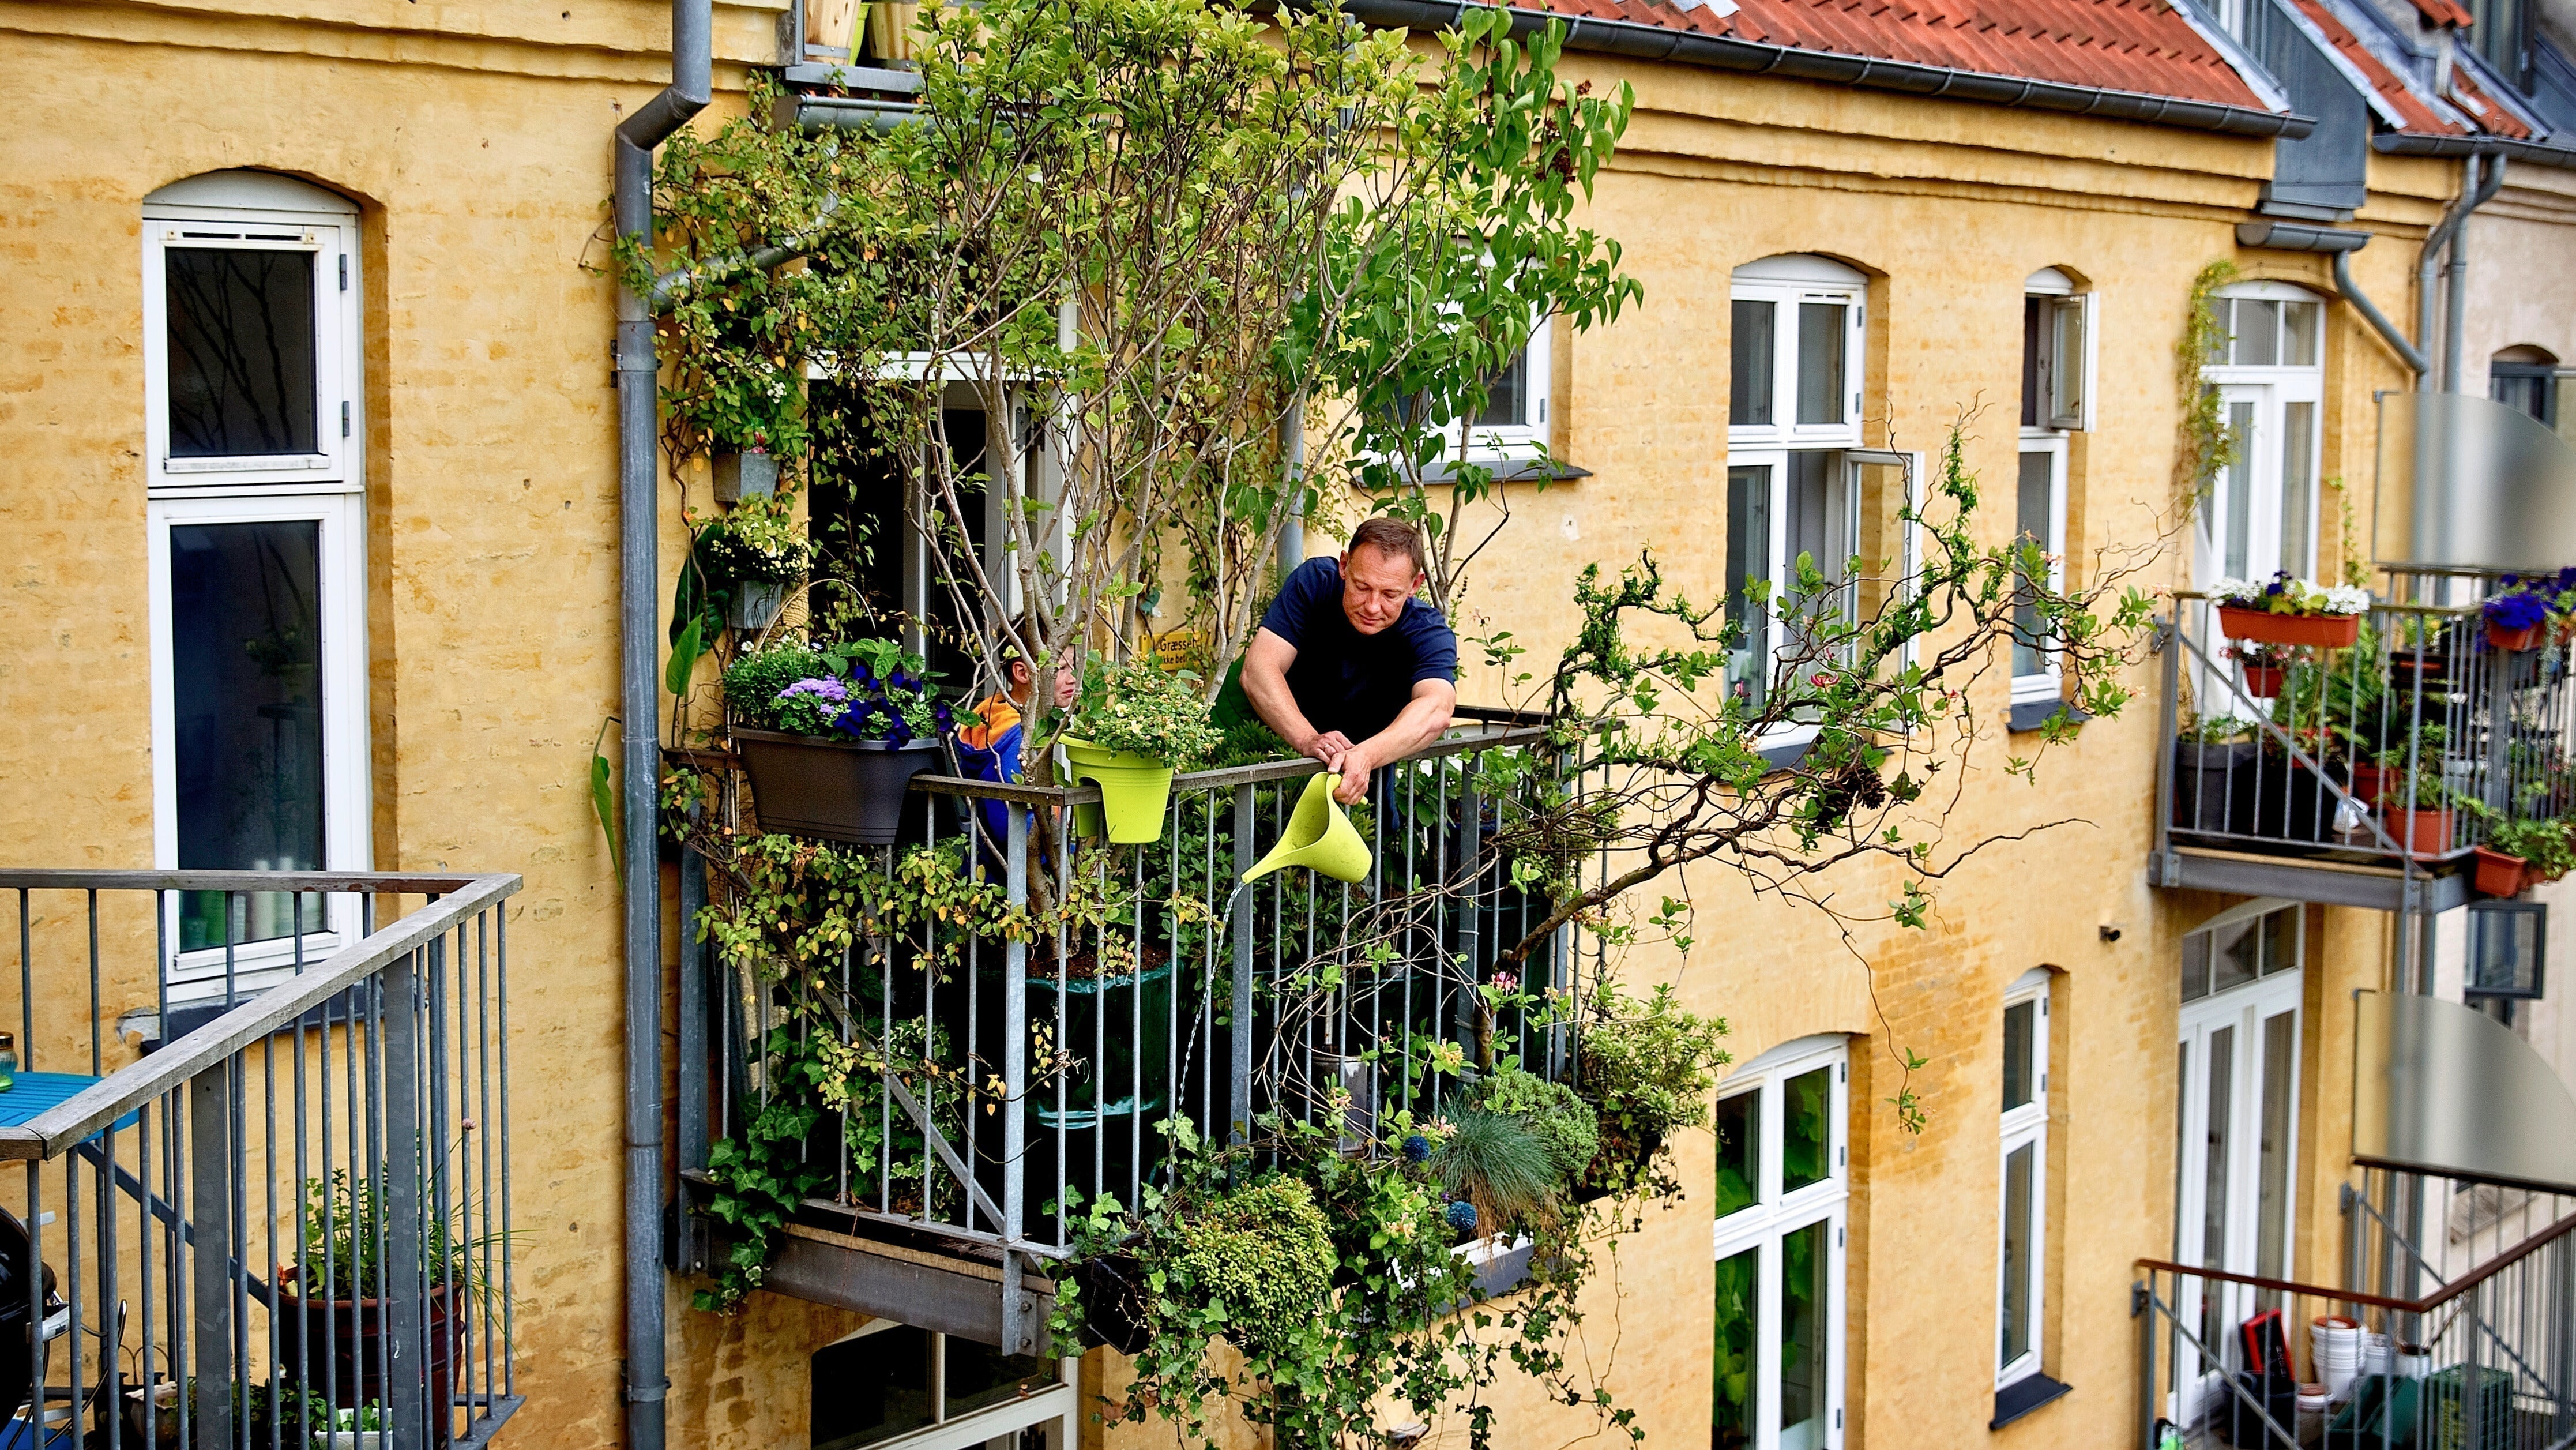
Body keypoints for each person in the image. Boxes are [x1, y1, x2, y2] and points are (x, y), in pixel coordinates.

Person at [1240, 517, 1458, 804]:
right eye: (1362, 586)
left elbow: (1437, 709)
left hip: (1364, 784)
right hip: (1266, 762)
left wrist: (1365, 756)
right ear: (1344, 565)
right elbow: (1259, 669)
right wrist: (1308, 738)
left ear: (1415, 585)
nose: (1372, 606)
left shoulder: (1428, 632)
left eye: (1390, 594)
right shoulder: (1315, 582)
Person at [954, 616, 1077, 866]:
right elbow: (1013, 826)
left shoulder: (992, 712)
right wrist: (1057, 814)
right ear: (1022, 673)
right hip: (1012, 881)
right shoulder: (1017, 736)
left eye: (1073, 667)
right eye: (1061, 669)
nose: (1072, 678)